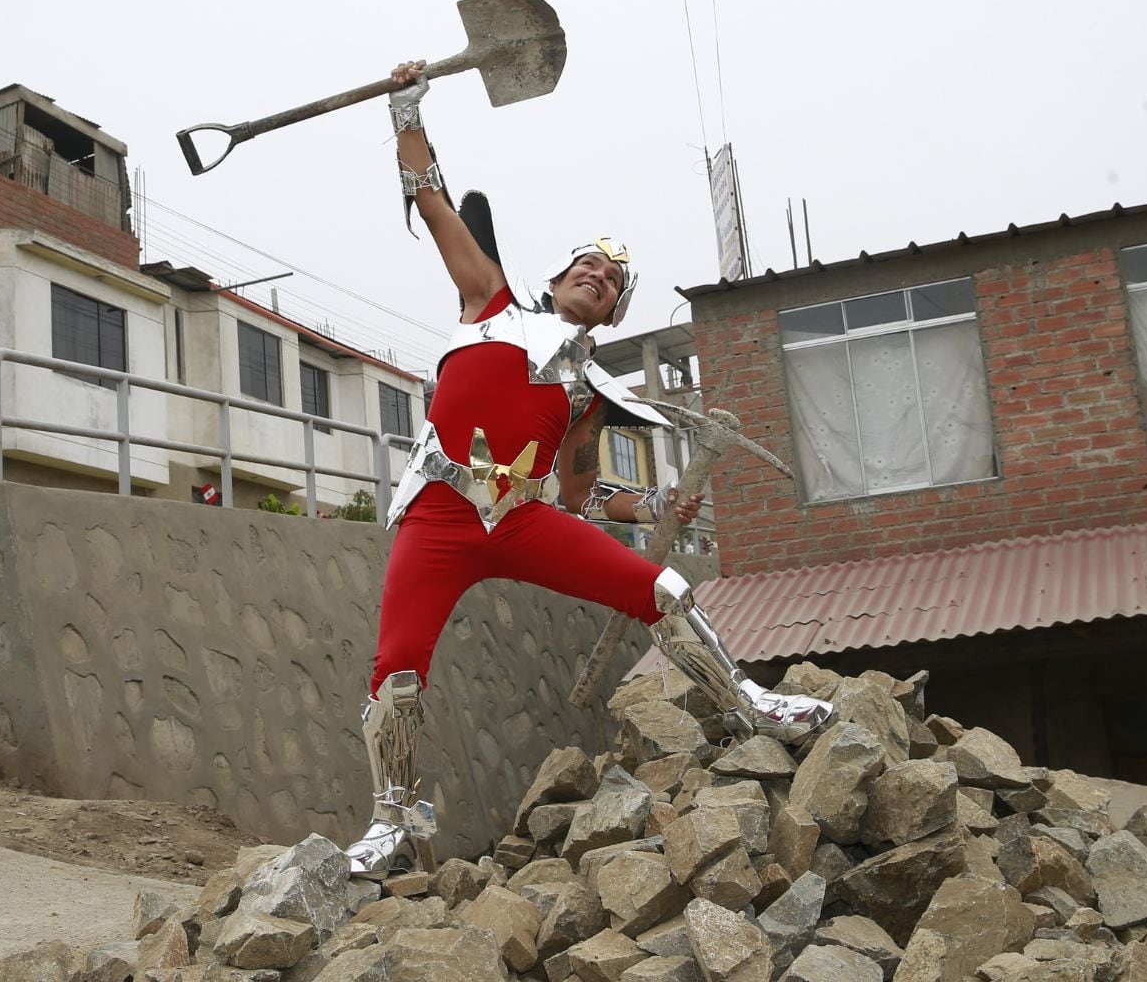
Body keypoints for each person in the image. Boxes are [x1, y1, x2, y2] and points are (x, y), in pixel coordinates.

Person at [344, 61, 835, 877]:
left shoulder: (592, 394)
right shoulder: (488, 304)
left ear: (612, 314)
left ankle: (747, 705)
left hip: (527, 520)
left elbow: (579, 496)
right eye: (587, 264)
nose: (597, 274)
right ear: (556, 278)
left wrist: (654, 506)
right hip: (439, 513)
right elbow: (431, 198)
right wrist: (406, 109)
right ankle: (393, 819)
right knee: (396, 671)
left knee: (665, 592)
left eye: (611, 282)